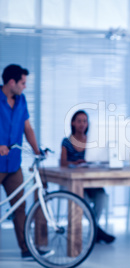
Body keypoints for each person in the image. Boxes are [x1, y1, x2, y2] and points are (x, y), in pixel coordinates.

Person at [0, 64, 42, 260]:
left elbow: (27, 128)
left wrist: (37, 150)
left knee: (20, 207)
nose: (25, 87)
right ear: (11, 82)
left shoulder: (22, 100)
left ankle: (26, 249)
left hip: (13, 164)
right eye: (23, 83)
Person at [60, 110, 115, 244]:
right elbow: (62, 163)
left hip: (90, 181)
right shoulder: (67, 141)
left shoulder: (92, 141)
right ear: (73, 123)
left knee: (102, 196)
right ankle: (97, 231)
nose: (82, 124)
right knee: (81, 199)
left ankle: (94, 229)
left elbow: (98, 159)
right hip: (74, 183)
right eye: (79, 121)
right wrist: (74, 163)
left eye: (85, 121)